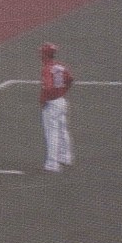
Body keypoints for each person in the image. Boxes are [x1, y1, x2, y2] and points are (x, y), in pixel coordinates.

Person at [39, 42, 74, 172]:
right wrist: (63, 92)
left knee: (52, 133)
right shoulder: (60, 66)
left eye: (42, 53)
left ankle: (52, 164)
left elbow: (48, 87)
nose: (40, 55)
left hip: (52, 104)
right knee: (63, 130)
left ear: (45, 54)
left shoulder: (46, 69)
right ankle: (65, 157)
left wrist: (43, 100)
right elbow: (70, 79)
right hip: (61, 101)